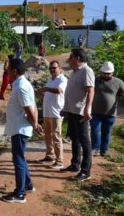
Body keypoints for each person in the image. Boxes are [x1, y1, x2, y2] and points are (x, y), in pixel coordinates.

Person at [2, 58, 43, 203]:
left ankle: (20, 194)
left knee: (18, 159)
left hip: (20, 128)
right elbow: (33, 106)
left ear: (15, 71)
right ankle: (28, 185)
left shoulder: (21, 87)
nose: (6, 71)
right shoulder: (21, 84)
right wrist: (35, 123)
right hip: (19, 127)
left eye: (8, 69)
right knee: (21, 158)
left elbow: (29, 108)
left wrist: (35, 124)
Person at [60, 48, 95, 182]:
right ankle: (75, 165)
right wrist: (65, 108)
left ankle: (86, 171)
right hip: (72, 111)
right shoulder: (75, 72)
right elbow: (72, 92)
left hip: (81, 113)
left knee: (85, 142)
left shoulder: (87, 71)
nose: (69, 59)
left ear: (78, 59)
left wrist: (87, 109)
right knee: (75, 140)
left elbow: (91, 91)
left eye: (71, 57)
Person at [90, 61, 124, 156]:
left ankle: (104, 150)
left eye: (108, 73)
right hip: (96, 112)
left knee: (106, 132)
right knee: (95, 130)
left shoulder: (118, 82)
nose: (106, 75)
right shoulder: (95, 80)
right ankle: (95, 148)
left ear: (112, 72)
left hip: (110, 114)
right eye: (104, 73)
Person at [39, 61, 68, 169]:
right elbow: (49, 93)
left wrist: (46, 89)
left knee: (56, 136)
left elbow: (59, 90)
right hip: (47, 112)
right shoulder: (50, 80)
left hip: (56, 112)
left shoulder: (63, 79)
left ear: (59, 68)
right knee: (47, 135)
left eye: (54, 68)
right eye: (50, 68)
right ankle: (50, 155)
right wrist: (43, 93)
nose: (52, 70)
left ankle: (59, 161)